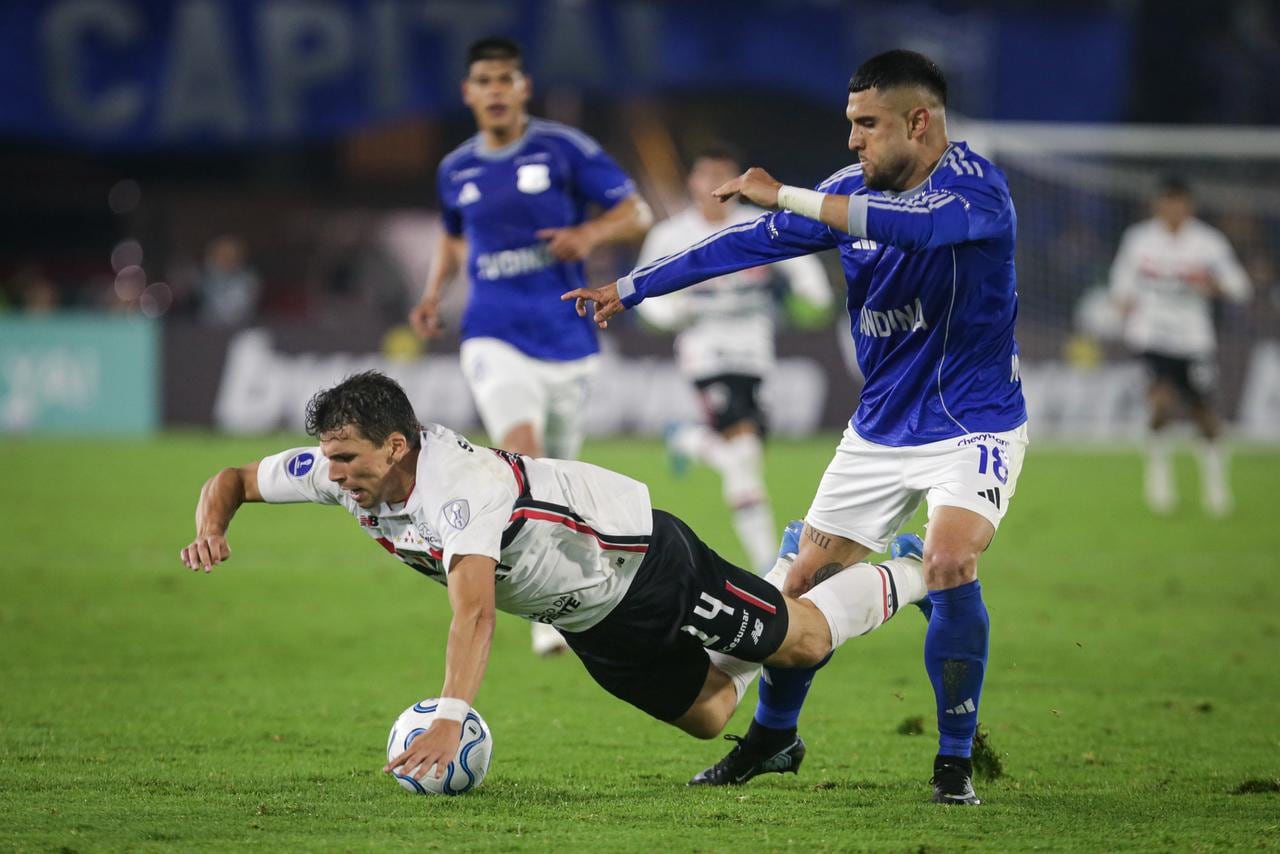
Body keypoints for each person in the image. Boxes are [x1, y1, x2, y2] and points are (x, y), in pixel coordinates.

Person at [564, 49, 1028, 805]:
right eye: (850, 125)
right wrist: (632, 286)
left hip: (973, 424)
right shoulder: (846, 192)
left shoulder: (977, 190)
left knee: (948, 563)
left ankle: (953, 764)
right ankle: (774, 739)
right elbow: (741, 243)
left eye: (868, 125)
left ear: (920, 121)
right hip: (878, 429)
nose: (852, 141)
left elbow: (913, 232)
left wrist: (784, 193)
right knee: (799, 583)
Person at [178, 371, 931, 785]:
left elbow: (474, 615)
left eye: (349, 461)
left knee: (799, 643)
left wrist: (450, 715)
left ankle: (919, 565)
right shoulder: (339, 471)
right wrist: (212, 528)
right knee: (708, 713)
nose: (335, 477)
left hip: (641, 563)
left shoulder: (457, 488)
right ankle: (777, 571)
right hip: (585, 615)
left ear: (398, 446)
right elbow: (233, 479)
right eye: (328, 460)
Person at [406, 37, 652, 656]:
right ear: (468, 93)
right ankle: (542, 611)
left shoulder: (564, 148)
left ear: (523, 87)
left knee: (555, 476)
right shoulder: (456, 168)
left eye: (504, 79)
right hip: (492, 333)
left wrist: (590, 232)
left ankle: (564, 591)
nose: (493, 90)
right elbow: (456, 238)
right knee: (522, 451)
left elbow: (636, 213)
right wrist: (435, 290)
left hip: (568, 336)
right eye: (482, 80)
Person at [635, 145, 833, 572]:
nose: (714, 186)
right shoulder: (670, 236)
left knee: (746, 450)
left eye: (723, 176)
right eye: (706, 177)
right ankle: (768, 563)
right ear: (693, 182)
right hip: (706, 354)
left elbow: (800, 265)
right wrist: (673, 313)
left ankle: (687, 438)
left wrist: (811, 292)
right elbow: (645, 292)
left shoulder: (758, 227)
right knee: (743, 456)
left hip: (756, 353)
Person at [1109, 176, 1251, 516]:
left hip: (1193, 340)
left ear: (1188, 206)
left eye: (1178, 203)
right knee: (1158, 404)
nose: (1172, 209)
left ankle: (1215, 485)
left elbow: (1240, 287)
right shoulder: (1138, 239)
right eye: (1166, 202)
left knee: (1203, 413)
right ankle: (1159, 481)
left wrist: (1213, 284)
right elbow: (1120, 285)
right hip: (1151, 336)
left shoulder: (1208, 243)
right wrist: (1121, 304)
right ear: (1157, 205)